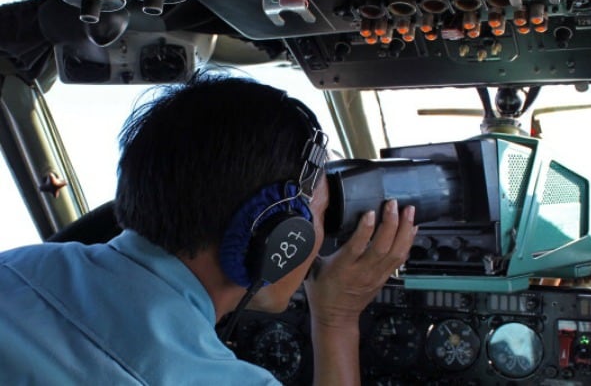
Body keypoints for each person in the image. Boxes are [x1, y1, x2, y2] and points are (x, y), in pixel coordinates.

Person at [0, 73, 417, 385]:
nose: (320, 241)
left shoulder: (16, 266)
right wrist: (338, 320)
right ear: (277, 234)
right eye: (321, 221)